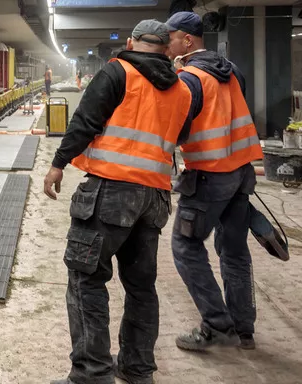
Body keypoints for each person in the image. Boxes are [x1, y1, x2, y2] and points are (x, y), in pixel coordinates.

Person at [45, 20, 192, 384]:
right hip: (154, 197)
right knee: (141, 287)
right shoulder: (182, 88)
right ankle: (137, 370)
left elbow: (85, 121)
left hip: (111, 193)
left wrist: (58, 163)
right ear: (166, 49)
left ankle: (92, 375)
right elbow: (181, 135)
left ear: (131, 41)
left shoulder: (118, 72)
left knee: (86, 280)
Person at [164, 11, 265, 351]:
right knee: (234, 250)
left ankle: (217, 323)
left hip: (209, 175)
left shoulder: (190, 79)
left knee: (185, 246)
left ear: (187, 41)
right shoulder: (232, 70)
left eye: (171, 39)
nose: (167, 46)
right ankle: (244, 328)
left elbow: (178, 130)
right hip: (241, 173)